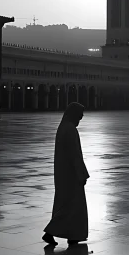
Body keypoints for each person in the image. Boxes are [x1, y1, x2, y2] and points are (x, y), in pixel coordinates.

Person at [43, 102, 90, 246]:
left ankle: (72, 234)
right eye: (79, 117)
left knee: (67, 205)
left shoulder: (63, 127)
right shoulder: (70, 129)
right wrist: (82, 174)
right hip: (71, 175)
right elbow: (75, 155)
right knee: (71, 206)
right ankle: (53, 232)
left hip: (64, 173)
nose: (79, 120)